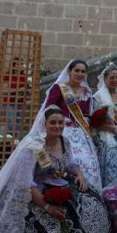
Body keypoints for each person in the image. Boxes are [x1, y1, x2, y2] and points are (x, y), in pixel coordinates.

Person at [42, 59, 102, 190]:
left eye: (83, 71)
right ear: (69, 71)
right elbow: (48, 109)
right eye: (77, 70)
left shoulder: (87, 92)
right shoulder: (59, 88)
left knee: (89, 161)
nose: (80, 74)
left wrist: (87, 120)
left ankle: (91, 192)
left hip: (81, 133)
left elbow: (86, 114)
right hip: (61, 131)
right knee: (71, 160)